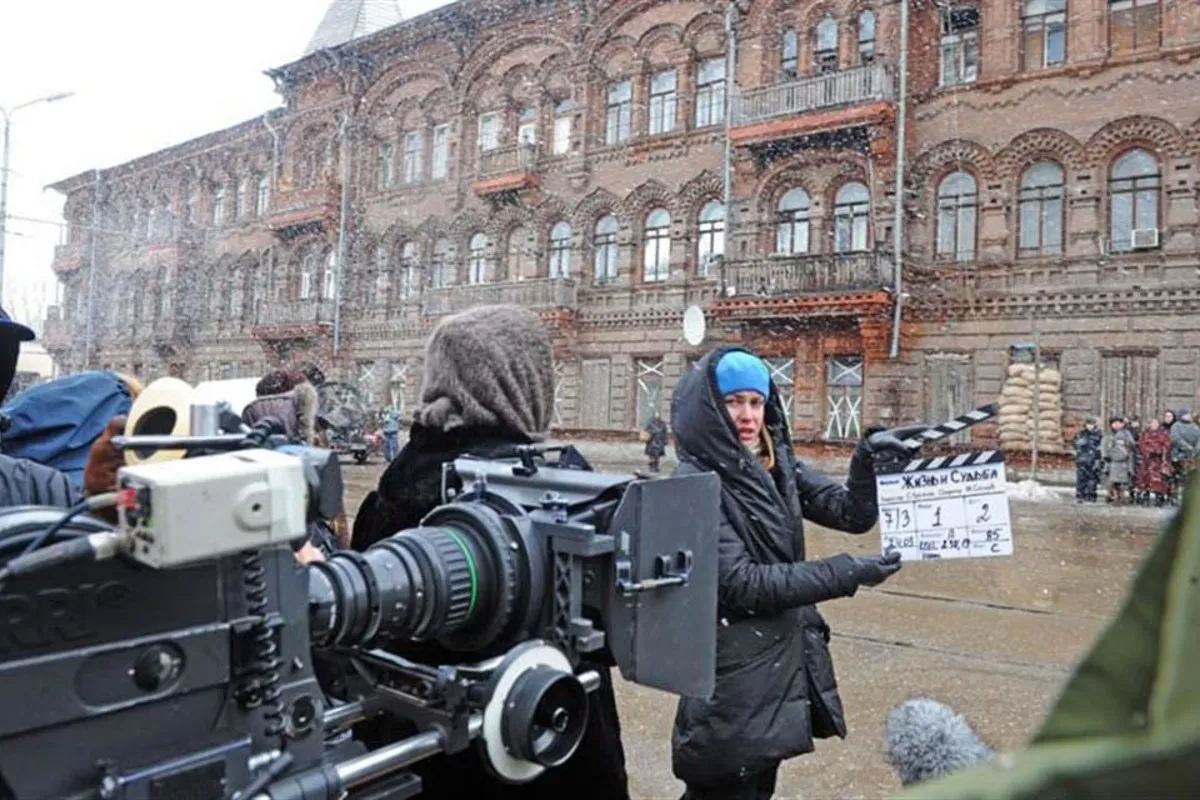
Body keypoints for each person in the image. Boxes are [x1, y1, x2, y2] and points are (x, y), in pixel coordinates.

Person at [351, 304, 630, 800]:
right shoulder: (566, 486)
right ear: (524, 382)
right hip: (550, 746)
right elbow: (618, 628)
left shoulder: (396, 486)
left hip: (420, 756)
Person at [669, 346, 924, 800]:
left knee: (757, 786)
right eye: (732, 402)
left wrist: (867, 461)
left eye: (756, 401)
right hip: (733, 676)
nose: (747, 415)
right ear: (709, 406)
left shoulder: (776, 464)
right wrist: (845, 573)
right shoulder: (693, 481)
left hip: (777, 667)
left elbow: (851, 513)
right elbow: (742, 584)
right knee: (723, 787)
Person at [1102, 416, 1135, 505]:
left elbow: (1132, 446)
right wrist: (1105, 456)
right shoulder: (1108, 435)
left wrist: (1124, 446)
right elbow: (1104, 447)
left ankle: (1121, 497)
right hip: (1112, 461)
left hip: (1124, 461)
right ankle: (1113, 496)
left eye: (1118, 423)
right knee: (1112, 481)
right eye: (1114, 423)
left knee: (1122, 482)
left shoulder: (1126, 434)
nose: (1116, 425)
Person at [1072, 416, 1103, 503]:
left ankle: (1091, 495)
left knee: (1092, 479)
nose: (1090, 426)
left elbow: (1101, 447)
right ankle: (1080, 495)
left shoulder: (1098, 435)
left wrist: (1098, 459)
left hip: (1094, 461)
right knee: (1081, 479)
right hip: (1082, 461)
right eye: (1088, 424)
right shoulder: (1081, 434)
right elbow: (1075, 445)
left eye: (1092, 424)